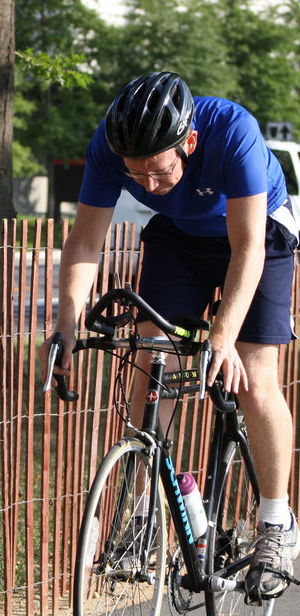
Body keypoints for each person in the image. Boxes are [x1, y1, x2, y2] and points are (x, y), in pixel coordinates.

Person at [40, 71, 299, 600]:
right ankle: (141, 516)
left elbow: (248, 249)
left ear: (190, 143)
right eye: (135, 178)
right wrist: (65, 322)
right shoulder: (112, 146)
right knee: (151, 359)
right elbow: (86, 240)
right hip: (180, 239)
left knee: (253, 377)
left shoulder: (233, 132)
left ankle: (277, 524)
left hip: (257, 235)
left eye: (157, 174)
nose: (147, 186)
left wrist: (223, 338)